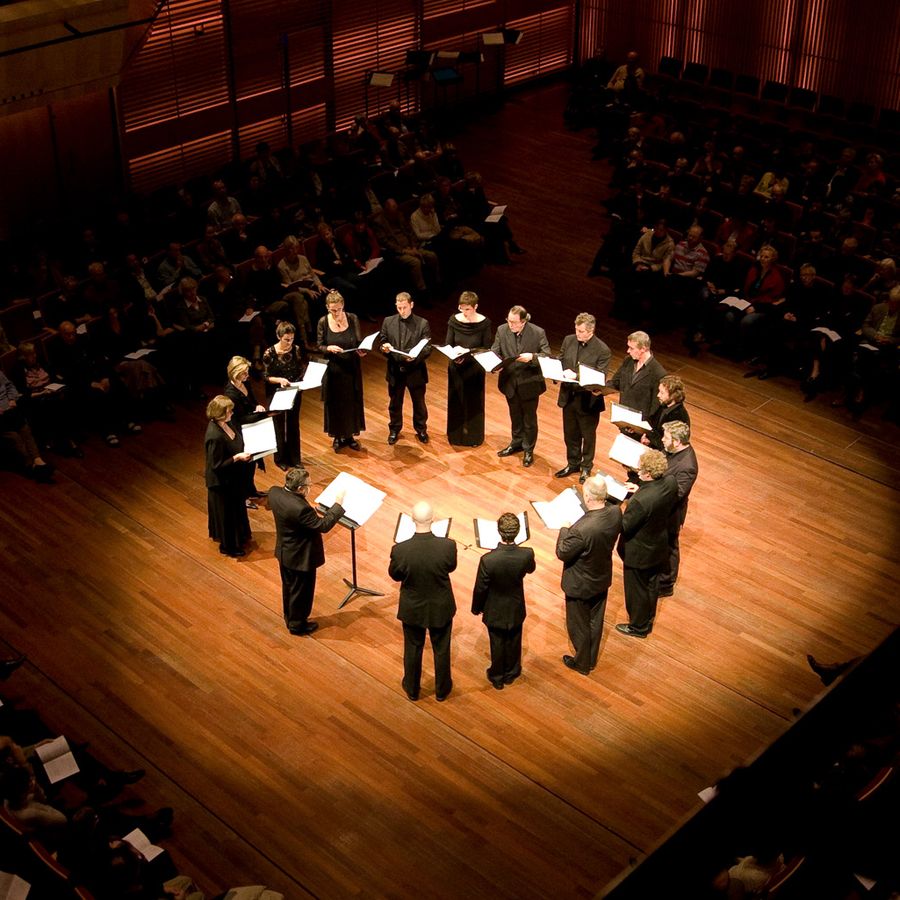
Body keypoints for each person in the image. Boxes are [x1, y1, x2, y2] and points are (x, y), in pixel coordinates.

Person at [389, 501, 457, 702]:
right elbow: (451, 567)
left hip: (413, 608)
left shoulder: (400, 550)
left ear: (411, 520)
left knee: (412, 648)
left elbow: (395, 575)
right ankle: (442, 690)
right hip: (440, 606)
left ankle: (412, 689)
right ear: (433, 519)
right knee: (442, 649)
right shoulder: (448, 546)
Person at [556, 477, 623, 674]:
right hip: (600, 576)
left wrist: (564, 528)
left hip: (580, 583)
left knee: (579, 625)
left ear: (587, 497)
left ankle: (582, 663)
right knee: (595, 620)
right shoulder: (615, 512)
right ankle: (591, 658)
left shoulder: (581, 530)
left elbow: (562, 552)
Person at [268, 466, 345, 636]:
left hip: (284, 551)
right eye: (309, 485)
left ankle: (290, 616)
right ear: (300, 488)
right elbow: (322, 525)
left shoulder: (274, 492)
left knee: (289, 588)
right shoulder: (300, 509)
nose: (310, 487)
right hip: (300, 557)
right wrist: (337, 505)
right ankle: (297, 625)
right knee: (301, 592)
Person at [616, 449, 678, 637]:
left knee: (637, 591)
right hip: (658, 544)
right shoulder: (670, 482)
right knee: (651, 585)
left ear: (649, 474)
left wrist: (615, 510)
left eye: (640, 469)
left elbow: (625, 526)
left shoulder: (640, 501)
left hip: (639, 552)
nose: (638, 471)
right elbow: (657, 498)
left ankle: (638, 627)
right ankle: (648, 617)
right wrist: (640, 489)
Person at [471, 512, 536, 689]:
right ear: (518, 532)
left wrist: (476, 608)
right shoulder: (526, 554)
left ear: (499, 532)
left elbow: (480, 588)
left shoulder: (488, 560)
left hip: (494, 608)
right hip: (515, 606)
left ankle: (497, 676)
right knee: (514, 638)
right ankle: (512, 672)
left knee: (497, 642)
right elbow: (530, 569)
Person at [554, 313, 612, 482]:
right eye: (576, 329)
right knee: (570, 434)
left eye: (581, 331)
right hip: (569, 396)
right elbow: (561, 360)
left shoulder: (602, 350)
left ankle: (586, 467)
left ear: (591, 331)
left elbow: (600, 376)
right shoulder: (568, 340)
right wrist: (555, 371)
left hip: (588, 401)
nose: (577, 334)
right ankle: (572, 463)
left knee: (588, 437)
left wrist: (576, 376)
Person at [492, 305, 550, 467]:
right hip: (510, 382)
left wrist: (532, 357)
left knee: (529, 419)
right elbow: (495, 351)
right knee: (515, 415)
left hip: (529, 383)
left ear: (523, 321)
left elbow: (546, 356)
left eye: (514, 322)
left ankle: (528, 449)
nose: (510, 325)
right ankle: (516, 442)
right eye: (508, 321)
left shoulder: (538, 332)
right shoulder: (502, 330)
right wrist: (495, 364)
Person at [316, 290, 367, 451]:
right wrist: (328, 348)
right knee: (336, 403)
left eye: (338, 309)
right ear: (327, 307)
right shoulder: (323, 322)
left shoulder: (352, 318)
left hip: (351, 367)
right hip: (334, 369)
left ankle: (350, 435)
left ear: (343, 305)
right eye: (333, 310)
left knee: (351, 401)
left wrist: (362, 350)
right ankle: (338, 436)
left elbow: (359, 341)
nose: (336, 313)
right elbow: (319, 345)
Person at [204, 395, 254, 558]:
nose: (232, 413)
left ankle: (240, 536)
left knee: (236, 509)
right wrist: (237, 457)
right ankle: (228, 546)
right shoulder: (215, 436)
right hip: (221, 482)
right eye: (229, 411)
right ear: (220, 414)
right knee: (227, 514)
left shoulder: (227, 423)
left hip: (233, 477)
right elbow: (216, 465)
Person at [379, 292, 432, 445]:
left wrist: (415, 358)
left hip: (415, 370)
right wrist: (384, 348)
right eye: (399, 308)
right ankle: (394, 429)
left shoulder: (422, 323)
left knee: (419, 403)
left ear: (411, 305)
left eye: (404, 307)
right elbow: (382, 341)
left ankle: (421, 429)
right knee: (395, 403)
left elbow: (427, 348)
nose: (402, 311)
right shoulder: (388, 321)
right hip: (395, 370)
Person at [445, 291, 493, 446]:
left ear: (475, 307)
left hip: (475, 368)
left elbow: (486, 347)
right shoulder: (454, 321)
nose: (464, 312)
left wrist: (469, 353)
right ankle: (455, 436)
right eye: (462, 308)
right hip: (457, 366)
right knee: (456, 400)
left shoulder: (484, 323)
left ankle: (474, 437)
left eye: (468, 309)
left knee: (474, 402)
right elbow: (448, 343)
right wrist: (455, 355)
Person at [659, 421, 698, 597]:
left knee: (669, 546)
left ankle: (666, 584)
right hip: (661, 508)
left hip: (671, 514)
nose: (662, 439)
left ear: (676, 441)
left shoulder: (688, 466)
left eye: (666, 437)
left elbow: (676, 494)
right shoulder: (672, 450)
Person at [223, 355, 268, 507]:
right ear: (235, 373)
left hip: (251, 426)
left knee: (251, 464)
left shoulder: (245, 383)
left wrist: (257, 406)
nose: (247, 375)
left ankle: (251, 491)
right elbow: (237, 419)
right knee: (243, 468)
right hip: (241, 431)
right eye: (244, 373)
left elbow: (252, 401)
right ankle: (243, 497)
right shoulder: (230, 394)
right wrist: (258, 415)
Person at [262, 322, 308, 470]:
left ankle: (295, 458)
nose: (289, 343)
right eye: (286, 339)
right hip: (276, 392)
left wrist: (303, 380)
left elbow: (301, 368)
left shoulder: (296, 350)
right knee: (279, 425)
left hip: (293, 390)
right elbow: (265, 376)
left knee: (293, 423)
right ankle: (280, 458)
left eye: (292, 339)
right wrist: (280, 380)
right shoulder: (269, 353)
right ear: (279, 336)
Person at [0, 370, 54, 482]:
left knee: (25, 429)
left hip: (9, 408)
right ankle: (31, 465)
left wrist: (12, 399)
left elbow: (9, 386)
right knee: (15, 437)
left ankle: (38, 460)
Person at [608, 330, 667, 425]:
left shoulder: (658, 373)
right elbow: (616, 382)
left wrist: (644, 426)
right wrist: (600, 388)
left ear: (643, 349)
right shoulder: (628, 361)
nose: (628, 351)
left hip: (640, 423)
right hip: (623, 417)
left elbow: (655, 407)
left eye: (631, 348)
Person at [642, 374, 690, 450]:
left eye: (662, 393)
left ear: (673, 396)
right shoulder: (664, 405)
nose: (658, 395)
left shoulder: (679, 417)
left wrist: (650, 441)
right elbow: (651, 423)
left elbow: (670, 444)